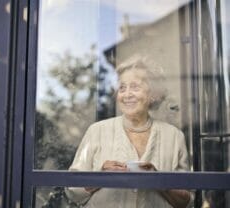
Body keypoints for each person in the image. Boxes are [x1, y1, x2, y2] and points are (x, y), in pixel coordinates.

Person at [65, 55, 193, 208]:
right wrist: (100, 177)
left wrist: (157, 180)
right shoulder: (96, 131)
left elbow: (186, 201)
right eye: (122, 88)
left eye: (135, 87)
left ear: (153, 94)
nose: (127, 94)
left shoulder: (174, 137)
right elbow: (72, 191)